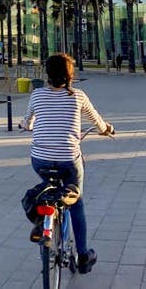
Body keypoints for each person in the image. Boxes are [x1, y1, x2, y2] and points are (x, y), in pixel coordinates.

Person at [22, 52, 113, 276]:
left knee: (48, 189)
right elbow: (98, 122)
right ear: (70, 75)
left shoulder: (37, 95)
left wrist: (25, 125)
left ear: (47, 74)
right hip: (68, 160)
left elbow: (27, 122)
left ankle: (44, 220)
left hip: (40, 160)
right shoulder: (78, 96)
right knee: (76, 201)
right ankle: (82, 255)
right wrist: (106, 129)